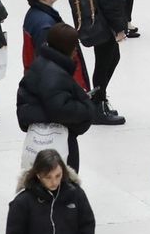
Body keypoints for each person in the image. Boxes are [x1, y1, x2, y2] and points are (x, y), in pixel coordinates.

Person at [67, 0, 131, 125]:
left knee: (108, 59)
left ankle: (99, 100)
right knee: (106, 61)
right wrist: (119, 27)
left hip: (98, 21)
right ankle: (97, 103)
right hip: (102, 23)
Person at [15, 23, 93, 172]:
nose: (76, 50)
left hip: (44, 138)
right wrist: (86, 109)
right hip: (58, 142)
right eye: (74, 45)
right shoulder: (54, 74)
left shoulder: (44, 64)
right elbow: (60, 110)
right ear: (67, 48)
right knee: (61, 186)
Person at [4, 148, 97, 234]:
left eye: (58, 175)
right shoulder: (22, 202)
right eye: (48, 177)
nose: (54, 182)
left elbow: (87, 226)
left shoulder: (76, 194)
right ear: (38, 175)